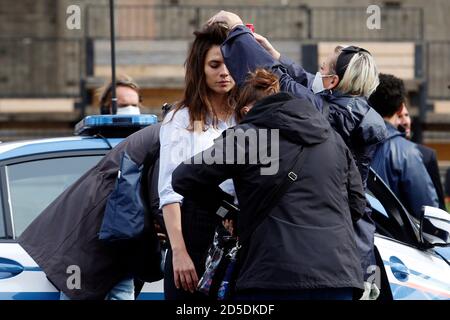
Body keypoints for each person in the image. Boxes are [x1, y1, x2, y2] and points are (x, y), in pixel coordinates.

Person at [207, 10, 386, 298]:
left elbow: (286, 88)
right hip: (344, 262)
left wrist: (238, 31)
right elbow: (303, 84)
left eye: (323, 69)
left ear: (333, 82)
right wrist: (275, 55)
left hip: (307, 263)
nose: (316, 74)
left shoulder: (329, 115)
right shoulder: (351, 110)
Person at [171, 69, 366, 300]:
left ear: (246, 111)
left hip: (271, 275)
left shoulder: (251, 136)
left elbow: (183, 178)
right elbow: (356, 205)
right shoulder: (332, 139)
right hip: (338, 276)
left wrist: (229, 212)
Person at [18, 120, 164, 300]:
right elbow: (162, 203)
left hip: (108, 263)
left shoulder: (144, 149)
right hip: (92, 263)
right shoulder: (164, 142)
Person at [158, 22, 237, 300]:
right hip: (194, 228)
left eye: (229, 63)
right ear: (200, 69)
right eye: (214, 65)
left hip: (239, 231)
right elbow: (169, 193)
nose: (224, 72)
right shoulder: (180, 119)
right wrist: (179, 252)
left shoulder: (249, 117)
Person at [369, 74, 439, 219]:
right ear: (401, 107)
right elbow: (429, 214)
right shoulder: (407, 153)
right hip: (397, 240)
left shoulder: (351, 145)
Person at [397, 103, 446, 210]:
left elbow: (440, 206)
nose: (405, 121)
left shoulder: (428, 156)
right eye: (399, 116)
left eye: (406, 115)